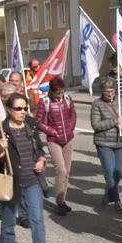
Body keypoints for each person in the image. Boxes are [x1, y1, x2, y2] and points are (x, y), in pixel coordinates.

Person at [0, 93, 53, 243]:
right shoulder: (2, 131)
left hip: (32, 179)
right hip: (12, 181)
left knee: (37, 219)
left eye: (25, 108)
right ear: (9, 110)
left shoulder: (31, 126)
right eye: (18, 109)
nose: (22, 112)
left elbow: (40, 149)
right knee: (9, 219)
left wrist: (42, 160)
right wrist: (0, 149)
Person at [35, 76, 77, 216]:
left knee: (67, 172)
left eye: (62, 91)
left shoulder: (67, 99)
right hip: (54, 140)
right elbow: (39, 122)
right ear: (51, 91)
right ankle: (59, 203)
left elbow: (73, 116)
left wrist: (70, 128)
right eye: (57, 92)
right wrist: (52, 131)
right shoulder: (45, 102)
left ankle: (63, 200)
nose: (60, 94)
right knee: (61, 171)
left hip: (68, 139)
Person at [90, 78, 122, 214]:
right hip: (104, 143)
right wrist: (114, 122)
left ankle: (108, 193)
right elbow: (96, 125)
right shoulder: (97, 104)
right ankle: (116, 201)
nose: (110, 94)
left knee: (119, 172)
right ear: (102, 91)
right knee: (110, 172)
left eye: (112, 91)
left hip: (120, 142)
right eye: (106, 91)